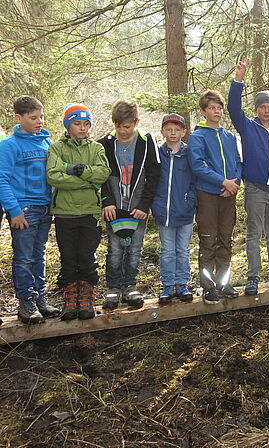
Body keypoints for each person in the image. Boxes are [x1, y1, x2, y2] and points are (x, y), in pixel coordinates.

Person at [228, 57, 269, 295]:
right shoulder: (248, 127)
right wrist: (239, 80)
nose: (266, 110)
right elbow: (233, 108)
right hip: (255, 189)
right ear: (257, 109)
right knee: (254, 234)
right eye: (262, 107)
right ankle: (252, 277)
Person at [46, 103, 111, 320]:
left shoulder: (96, 148)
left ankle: (86, 297)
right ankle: (70, 297)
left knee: (86, 256)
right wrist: (86, 180)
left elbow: (102, 174)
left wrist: (74, 171)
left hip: (90, 212)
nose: (82, 128)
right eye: (77, 123)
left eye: (86, 124)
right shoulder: (57, 148)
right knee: (68, 257)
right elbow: (53, 176)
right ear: (68, 125)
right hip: (65, 212)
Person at [0, 96, 60, 323]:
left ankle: (40, 299)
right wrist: (14, 210)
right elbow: (2, 179)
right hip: (23, 210)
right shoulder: (9, 146)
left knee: (39, 254)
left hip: (45, 207)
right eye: (33, 118)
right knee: (23, 257)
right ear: (19, 118)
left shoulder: (46, 143)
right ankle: (26, 303)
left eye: (41, 116)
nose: (40, 121)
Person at [98, 100, 161, 310]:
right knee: (115, 249)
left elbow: (154, 175)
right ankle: (113, 287)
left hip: (137, 207)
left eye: (127, 127)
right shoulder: (105, 143)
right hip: (114, 207)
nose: (122, 131)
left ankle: (130, 285)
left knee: (134, 249)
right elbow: (102, 176)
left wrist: (144, 205)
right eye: (118, 127)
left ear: (136, 122)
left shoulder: (146, 141)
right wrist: (106, 201)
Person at [189, 88, 242, 304]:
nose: (217, 112)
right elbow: (197, 165)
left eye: (219, 108)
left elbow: (239, 162)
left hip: (229, 194)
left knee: (225, 239)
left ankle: (224, 282)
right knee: (208, 240)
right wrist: (222, 181)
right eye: (212, 108)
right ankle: (208, 286)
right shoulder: (198, 136)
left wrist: (234, 183)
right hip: (208, 194)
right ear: (203, 111)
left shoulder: (228, 136)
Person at [152, 114, 196, 304]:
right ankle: (168, 285)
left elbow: (195, 179)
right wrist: (156, 204)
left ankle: (182, 284)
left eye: (177, 130)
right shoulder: (157, 153)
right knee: (167, 250)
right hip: (164, 211)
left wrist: (191, 200)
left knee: (183, 250)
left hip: (185, 210)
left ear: (184, 132)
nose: (173, 133)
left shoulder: (189, 153)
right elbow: (151, 180)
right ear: (162, 131)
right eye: (169, 129)